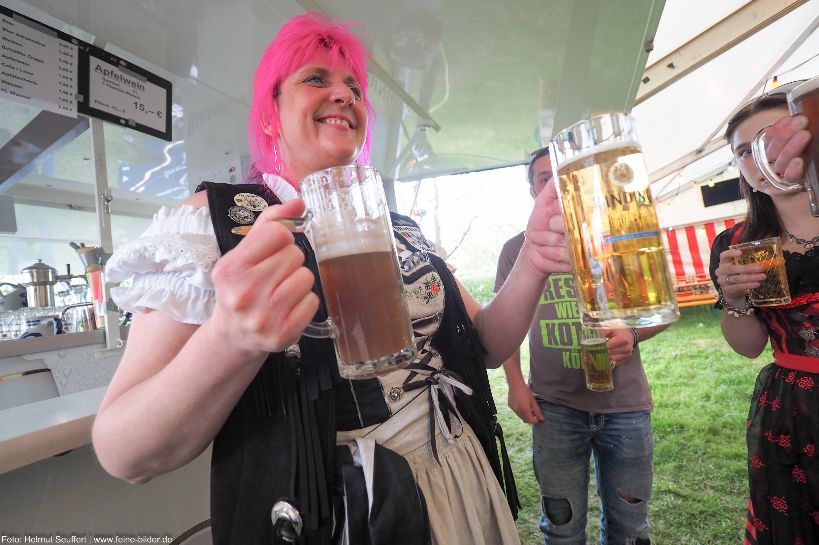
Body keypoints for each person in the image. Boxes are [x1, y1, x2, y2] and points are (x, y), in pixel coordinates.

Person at [93, 13, 572, 545]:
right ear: (270, 115)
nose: (344, 95)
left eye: (355, 88)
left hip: (460, 478)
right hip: (347, 514)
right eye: (315, 79)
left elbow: (485, 345)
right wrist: (230, 337)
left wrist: (534, 258)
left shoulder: (395, 227)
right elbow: (123, 452)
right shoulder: (214, 224)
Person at [494, 147, 668, 545]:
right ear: (533, 191)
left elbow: (661, 311)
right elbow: (506, 324)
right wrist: (515, 383)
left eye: (565, 176)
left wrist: (632, 334)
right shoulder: (516, 250)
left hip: (624, 407)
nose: (556, 186)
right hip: (554, 407)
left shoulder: (618, 237)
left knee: (630, 529)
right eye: (544, 179)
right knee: (562, 529)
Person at [708, 84, 816, 545]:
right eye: (744, 152)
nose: (761, 157)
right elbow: (750, 347)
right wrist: (735, 301)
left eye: (771, 138)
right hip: (792, 410)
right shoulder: (739, 245)